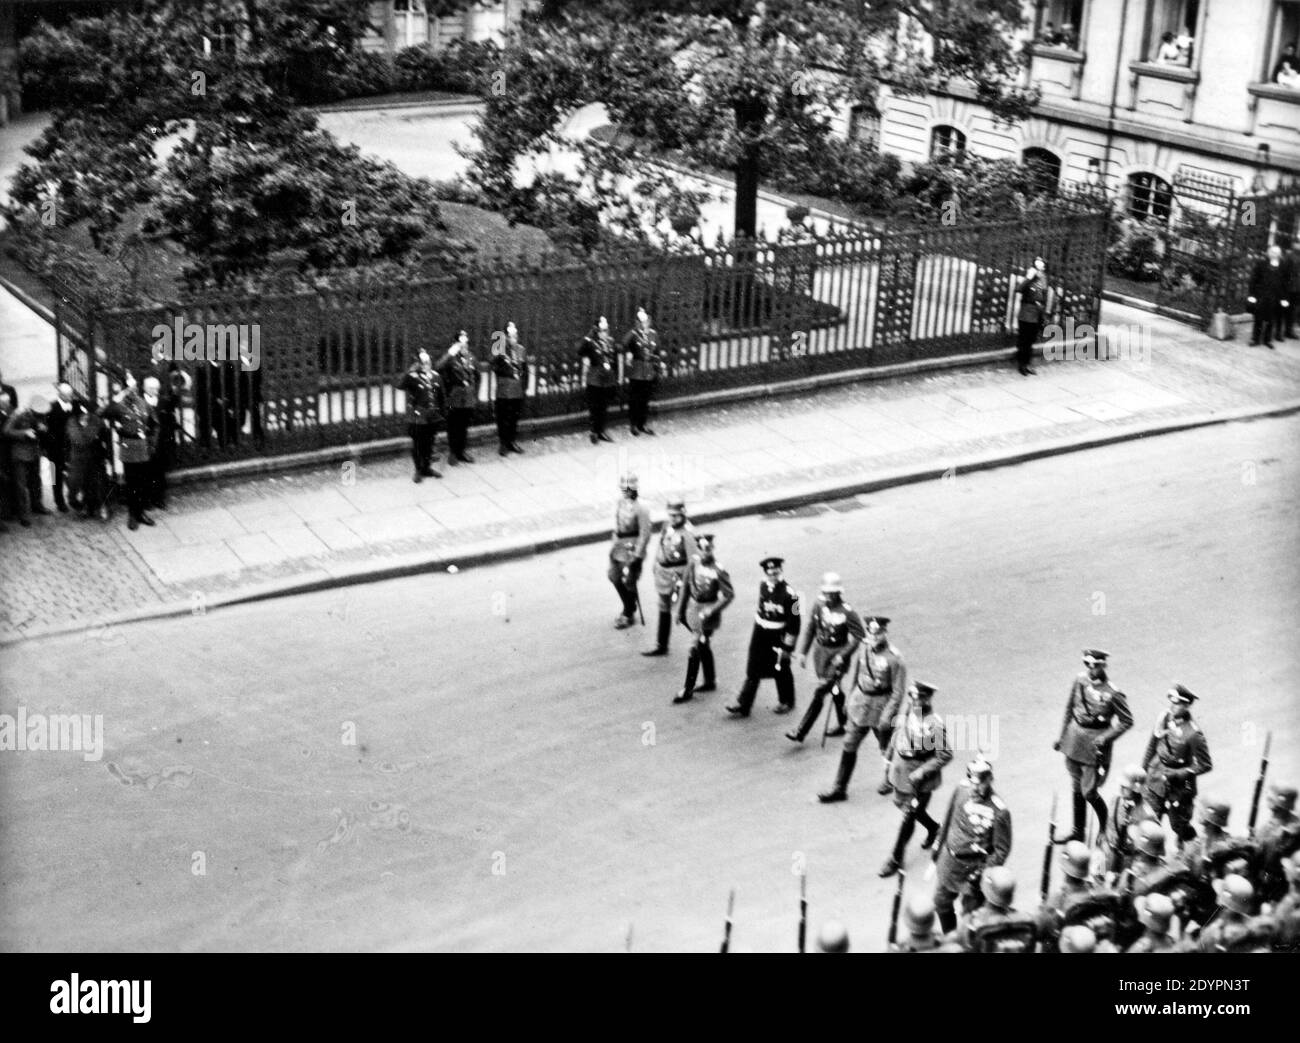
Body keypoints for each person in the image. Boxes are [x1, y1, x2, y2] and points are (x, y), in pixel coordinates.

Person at [818, 615, 906, 802]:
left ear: (884, 633)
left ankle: (891, 779)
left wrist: (887, 716)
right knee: (849, 744)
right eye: (871, 633)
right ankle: (839, 788)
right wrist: (849, 700)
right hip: (861, 703)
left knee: (886, 747)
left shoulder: (894, 658)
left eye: (878, 633)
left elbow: (898, 692)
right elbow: (857, 678)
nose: (874, 637)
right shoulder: (864, 650)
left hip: (881, 706)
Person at [1053, 648, 1133, 843]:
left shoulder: (1113, 693)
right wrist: (1062, 736)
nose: (1090, 669)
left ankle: (1105, 827)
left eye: (1095, 665)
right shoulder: (1080, 681)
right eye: (1087, 664)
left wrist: (1106, 738)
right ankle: (1077, 831)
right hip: (1074, 738)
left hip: (1094, 742)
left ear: (1103, 666)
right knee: (1076, 784)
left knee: (1089, 791)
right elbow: (1069, 708)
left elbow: (1126, 720)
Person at [879, 685, 954, 879]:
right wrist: (888, 757)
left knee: (908, 816)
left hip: (919, 779)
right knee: (904, 806)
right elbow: (898, 733)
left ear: (928, 699)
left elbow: (945, 754)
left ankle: (895, 858)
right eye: (912, 697)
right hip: (901, 769)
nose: (915, 701)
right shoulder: (910, 711)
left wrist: (922, 771)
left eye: (919, 698)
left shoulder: (934, 724)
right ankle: (934, 829)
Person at [929, 756, 1011, 933]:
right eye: (971, 782)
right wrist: (937, 846)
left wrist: (983, 871)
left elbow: (1001, 850)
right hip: (950, 861)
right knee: (941, 902)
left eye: (980, 783)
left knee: (970, 916)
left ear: (990, 780)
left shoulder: (999, 810)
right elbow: (948, 818)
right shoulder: (961, 790)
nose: (974, 788)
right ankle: (949, 938)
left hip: (973, 870)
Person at [785, 573, 864, 743]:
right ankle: (844, 722)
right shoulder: (818, 604)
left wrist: (843, 656)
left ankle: (800, 731)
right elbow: (811, 628)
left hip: (837, 656)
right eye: (826, 592)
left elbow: (859, 636)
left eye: (832, 592)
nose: (828, 596)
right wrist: (803, 653)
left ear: (838, 592)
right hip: (820, 654)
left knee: (820, 691)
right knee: (834, 688)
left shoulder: (847, 611)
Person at [726, 556, 801, 717]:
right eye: (770, 573)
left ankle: (787, 701)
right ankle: (743, 704)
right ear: (766, 574)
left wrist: (788, 647)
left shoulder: (792, 596)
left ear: (781, 571)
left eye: (776, 572)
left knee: (781, 667)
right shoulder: (763, 586)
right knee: (753, 667)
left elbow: (795, 624)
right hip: (760, 632)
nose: (773, 576)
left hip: (778, 635)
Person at [1141, 684, 1212, 845]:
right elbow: (1152, 745)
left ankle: (1190, 852)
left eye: (1177, 703)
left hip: (1179, 786)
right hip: (1156, 776)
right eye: (1171, 702)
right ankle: (1151, 856)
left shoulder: (1193, 733)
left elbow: (1205, 764)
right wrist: (1143, 770)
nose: (1172, 706)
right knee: (1150, 820)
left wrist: (1180, 774)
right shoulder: (1164, 718)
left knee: (1179, 826)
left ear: (1186, 705)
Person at [671, 532, 735, 704]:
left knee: (695, 647)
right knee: (703, 646)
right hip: (693, 609)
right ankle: (709, 680)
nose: (705, 553)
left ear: (712, 549)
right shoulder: (693, 562)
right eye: (702, 549)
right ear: (698, 549)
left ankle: (688, 690)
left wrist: (712, 610)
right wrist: (679, 610)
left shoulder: (719, 570)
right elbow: (686, 586)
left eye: (708, 549)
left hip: (708, 615)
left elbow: (729, 595)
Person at [99, 373, 160, 531]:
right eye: (129, 388)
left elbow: (154, 424)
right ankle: (133, 516)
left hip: (143, 448)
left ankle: (141, 513)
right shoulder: (119, 405)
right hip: (129, 448)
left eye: (134, 388)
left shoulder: (143, 403)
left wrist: (151, 443)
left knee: (143, 483)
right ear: (125, 389)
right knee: (132, 484)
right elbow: (102, 412)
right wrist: (119, 396)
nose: (133, 391)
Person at [642, 497, 698, 657]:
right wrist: (655, 563)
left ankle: (700, 640)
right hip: (663, 574)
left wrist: (686, 581)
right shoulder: (667, 526)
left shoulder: (687, 533)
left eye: (676, 515)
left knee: (683, 611)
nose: (673, 518)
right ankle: (661, 644)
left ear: (683, 514)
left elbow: (692, 562)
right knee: (663, 607)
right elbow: (661, 544)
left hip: (677, 577)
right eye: (670, 515)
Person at [607, 473, 652, 630]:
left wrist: (637, 555)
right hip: (618, 546)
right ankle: (629, 604)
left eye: (628, 488)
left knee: (629, 580)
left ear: (634, 488)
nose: (625, 491)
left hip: (632, 548)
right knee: (613, 576)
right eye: (623, 488)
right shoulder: (620, 502)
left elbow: (645, 534)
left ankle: (628, 613)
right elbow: (616, 524)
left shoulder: (642, 507)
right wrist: (614, 543)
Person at [3, 394, 53, 527]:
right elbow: (6, 431)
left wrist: (44, 429)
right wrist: (24, 432)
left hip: (34, 453)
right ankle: (23, 514)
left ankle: (37, 505)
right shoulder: (18, 414)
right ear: (31, 409)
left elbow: (43, 429)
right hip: (20, 455)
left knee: (36, 481)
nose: (40, 416)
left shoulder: (40, 414)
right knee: (21, 485)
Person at [396, 351, 445, 482]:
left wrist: (442, 413)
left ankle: (427, 468)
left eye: (427, 362)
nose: (425, 365)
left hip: (432, 415)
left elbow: (439, 396)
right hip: (418, 416)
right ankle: (418, 470)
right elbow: (399, 385)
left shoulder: (436, 377)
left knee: (429, 443)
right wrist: (410, 370)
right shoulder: (413, 377)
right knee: (418, 444)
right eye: (422, 363)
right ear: (418, 364)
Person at [65, 397, 111, 520]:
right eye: (82, 415)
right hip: (79, 459)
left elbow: (106, 438)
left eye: (86, 414)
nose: (85, 416)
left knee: (100, 484)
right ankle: (87, 507)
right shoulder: (71, 423)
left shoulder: (96, 420)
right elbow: (78, 439)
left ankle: (103, 507)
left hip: (96, 457)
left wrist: (107, 456)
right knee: (83, 485)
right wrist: (91, 432)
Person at [437, 331, 478, 464]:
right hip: (454, 396)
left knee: (463, 426)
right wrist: (450, 353)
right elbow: (438, 367)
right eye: (461, 342)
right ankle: (453, 453)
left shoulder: (471, 357)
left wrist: (474, 392)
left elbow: (477, 375)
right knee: (453, 426)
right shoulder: (451, 358)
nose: (464, 345)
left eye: (465, 342)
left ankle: (461, 452)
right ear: (455, 344)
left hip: (467, 397)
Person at [623, 307, 662, 437]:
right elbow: (623, 343)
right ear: (637, 323)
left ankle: (642, 424)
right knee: (635, 398)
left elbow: (657, 352)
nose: (644, 324)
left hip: (648, 370)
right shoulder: (634, 334)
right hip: (637, 370)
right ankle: (633, 425)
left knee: (645, 399)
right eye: (641, 322)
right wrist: (635, 331)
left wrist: (657, 367)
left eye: (646, 322)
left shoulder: (653, 334)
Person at [1101, 765, 1148, 874]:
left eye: (1125, 786)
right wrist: (1101, 869)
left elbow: (1146, 850)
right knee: (1101, 882)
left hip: (1129, 862)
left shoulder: (1146, 815)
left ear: (1136, 789)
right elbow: (1109, 826)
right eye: (1121, 785)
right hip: (1109, 854)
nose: (1121, 788)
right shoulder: (1116, 799)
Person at [491, 321, 528, 456]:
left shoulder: (521, 350)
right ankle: (503, 443)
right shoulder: (499, 350)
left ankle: (512, 442)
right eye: (510, 336)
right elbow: (494, 366)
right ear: (505, 337)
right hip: (504, 391)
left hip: (517, 391)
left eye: (515, 335)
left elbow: (525, 370)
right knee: (503, 418)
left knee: (514, 418)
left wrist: (524, 388)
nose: (513, 338)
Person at [579, 317, 617, 444]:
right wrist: (590, 334)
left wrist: (615, 378)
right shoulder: (591, 342)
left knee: (604, 407)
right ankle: (594, 432)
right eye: (601, 331)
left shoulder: (610, 342)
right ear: (597, 331)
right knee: (594, 407)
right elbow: (580, 350)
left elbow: (614, 359)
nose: (604, 333)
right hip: (595, 379)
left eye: (605, 331)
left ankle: (601, 431)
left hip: (607, 379)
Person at [1247, 244, 1289, 349]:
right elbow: (1253, 280)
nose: (1275, 254)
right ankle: (1255, 339)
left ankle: (1267, 340)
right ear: (1269, 253)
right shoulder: (1261, 264)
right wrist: (1252, 295)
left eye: (1277, 253)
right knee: (1258, 318)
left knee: (1271, 319)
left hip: (1275, 296)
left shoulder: (1283, 266)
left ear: (1280, 254)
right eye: (1273, 252)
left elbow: (1285, 283)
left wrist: (1284, 298)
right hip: (1261, 295)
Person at [45, 382, 76, 513]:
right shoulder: (50, 408)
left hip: (71, 447)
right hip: (54, 449)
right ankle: (59, 501)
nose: (70, 397)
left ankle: (73, 498)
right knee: (55, 476)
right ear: (60, 395)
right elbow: (46, 431)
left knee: (73, 473)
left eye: (71, 395)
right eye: (67, 395)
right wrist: (46, 449)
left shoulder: (74, 405)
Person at [1014, 256, 1048, 375]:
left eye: (1041, 265)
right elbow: (1019, 289)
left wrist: (1043, 313)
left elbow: (1044, 295)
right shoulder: (1029, 278)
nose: (1040, 269)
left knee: (1031, 341)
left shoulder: (1043, 279)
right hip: (1026, 314)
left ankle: (1027, 364)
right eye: (1037, 265)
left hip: (1036, 314)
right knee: (1024, 340)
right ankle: (1022, 365)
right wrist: (1029, 277)